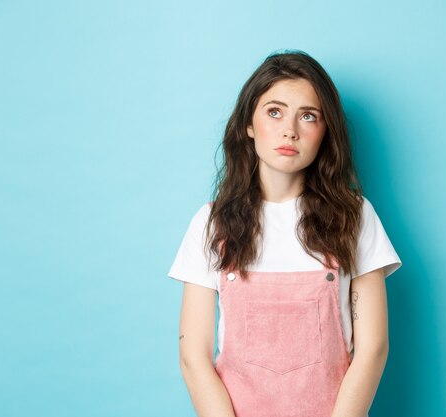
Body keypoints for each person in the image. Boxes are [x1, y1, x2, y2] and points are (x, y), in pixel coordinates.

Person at [167, 50, 402, 417]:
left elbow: (373, 348)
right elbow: (192, 356)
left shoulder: (354, 217)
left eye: (308, 116)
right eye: (274, 112)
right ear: (248, 124)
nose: (289, 129)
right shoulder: (211, 224)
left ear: (325, 132)